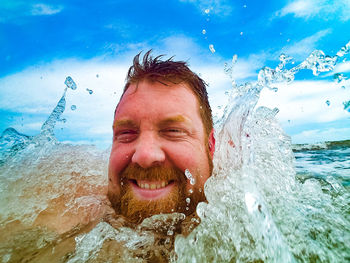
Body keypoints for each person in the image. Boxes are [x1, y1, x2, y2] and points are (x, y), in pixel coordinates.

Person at [107, 50, 216, 225]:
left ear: (210, 146)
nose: (145, 156)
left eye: (173, 131)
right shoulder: (66, 217)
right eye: (126, 133)